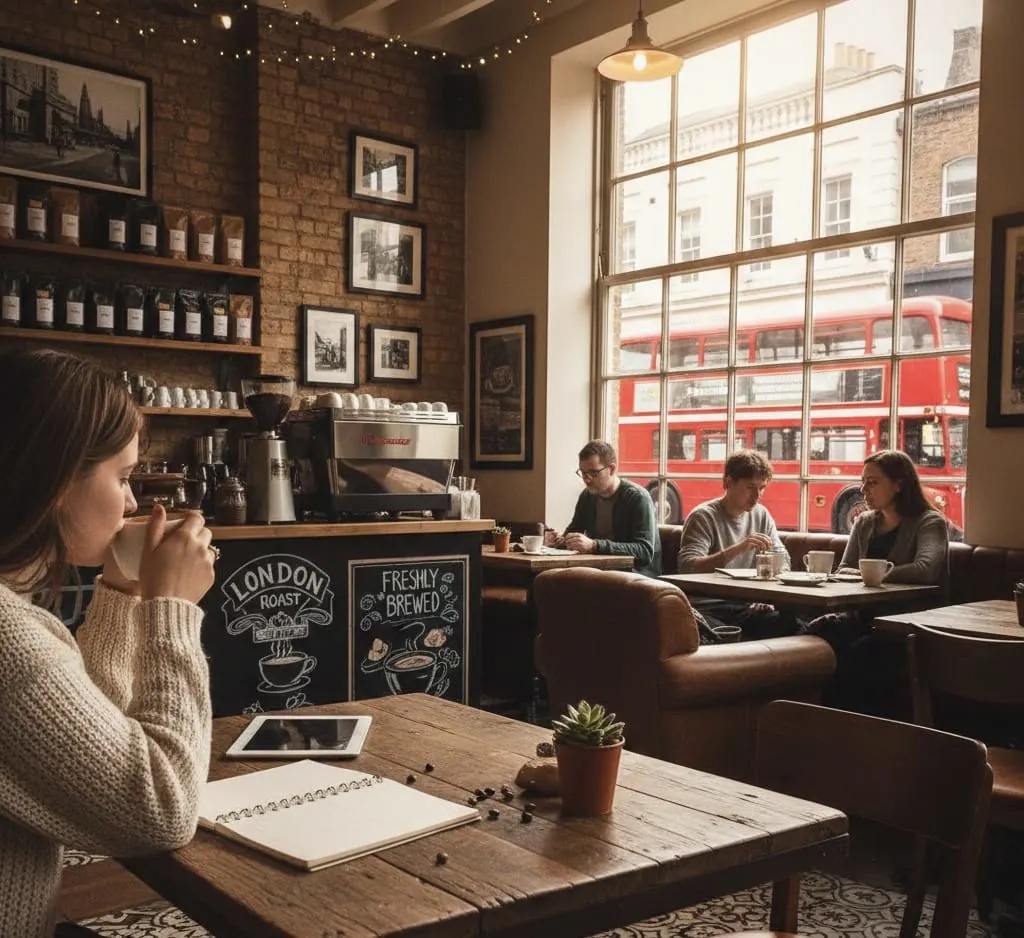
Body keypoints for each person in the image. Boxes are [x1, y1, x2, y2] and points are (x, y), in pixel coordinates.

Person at [0, 349, 216, 938]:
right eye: (122, 477)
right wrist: (171, 611)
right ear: (53, 477)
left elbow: (86, 730)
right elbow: (162, 809)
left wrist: (124, 592)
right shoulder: (8, 639)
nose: (129, 503)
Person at [801, 449, 950, 716]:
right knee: (812, 636)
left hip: (907, 625)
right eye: (863, 481)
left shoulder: (930, 522)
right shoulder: (865, 522)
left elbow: (926, 570)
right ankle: (803, 718)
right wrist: (858, 576)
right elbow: (846, 568)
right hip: (862, 617)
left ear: (899, 484)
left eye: (873, 482)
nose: (863, 489)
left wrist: (872, 574)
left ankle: (844, 728)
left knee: (860, 655)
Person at [676, 449, 790, 640]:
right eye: (751, 487)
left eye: (762, 488)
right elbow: (687, 567)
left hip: (745, 605)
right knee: (723, 632)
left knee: (787, 622)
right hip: (709, 606)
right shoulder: (703, 517)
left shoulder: (761, 515)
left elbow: (784, 560)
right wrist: (739, 549)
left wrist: (766, 597)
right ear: (729, 483)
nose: (757, 496)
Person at [545, 440, 661, 577]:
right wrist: (560, 541)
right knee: (544, 580)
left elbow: (645, 552)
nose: (587, 479)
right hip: (600, 571)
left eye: (593, 473)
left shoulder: (637, 498)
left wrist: (595, 545)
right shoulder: (587, 496)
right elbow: (574, 530)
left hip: (636, 575)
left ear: (611, 469)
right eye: (583, 473)